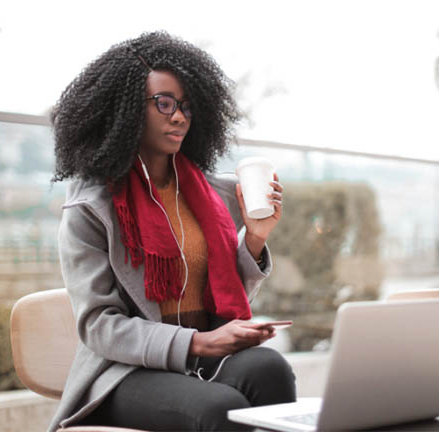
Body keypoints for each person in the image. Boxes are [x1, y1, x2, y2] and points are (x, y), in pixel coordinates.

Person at [47, 31, 296, 431]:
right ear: (125, 109)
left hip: (201, 354)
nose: (178, 116)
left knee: (270, 368)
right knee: (221, 407)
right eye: (164, 103)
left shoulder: (212, 193)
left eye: (185, 106)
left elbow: (222, 295)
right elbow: (99, 326)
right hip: (125, 372)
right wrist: (198, 343)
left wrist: (255, 237)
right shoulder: (90, 207)